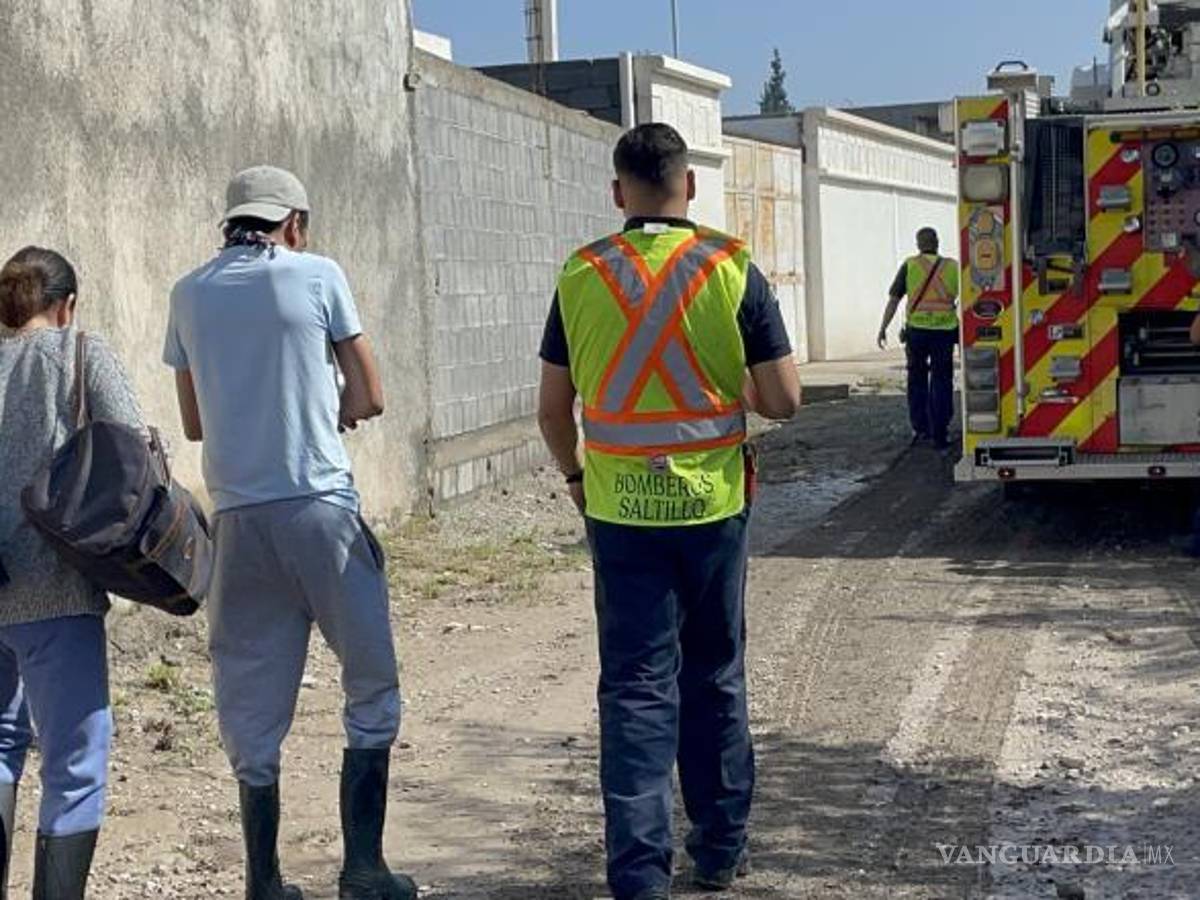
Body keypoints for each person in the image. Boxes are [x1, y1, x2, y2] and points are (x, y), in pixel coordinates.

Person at [537, 123, 801, 900]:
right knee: (713, 674)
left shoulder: (581, 274)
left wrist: (577, 479)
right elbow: (784, 399)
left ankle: (639, 877)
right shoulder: (731, 268)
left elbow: (553, 411)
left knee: (635, 689)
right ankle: (718, 849)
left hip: (620, 513)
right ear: (689, 185)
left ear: (617, 192)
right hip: (712, 509)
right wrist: (734, 386)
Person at [164, 166, 415, 900]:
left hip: (238, 522)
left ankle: (265, 881)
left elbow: (194, 422)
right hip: (320, 509)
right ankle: (363, 870)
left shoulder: (188, 293)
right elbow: (370, 394)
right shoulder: (318, 274)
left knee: (249, 702)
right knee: (369, 681)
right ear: (294, 223)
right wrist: (334, 409)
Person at [0, 247, 144, 898]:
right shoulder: (80, 353)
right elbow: (133, 448)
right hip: (55, 588)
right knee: (75, 764)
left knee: (1, 744)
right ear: (68, 306)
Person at [877, 227, 961, 449]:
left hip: (917, 333)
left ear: (918, 244)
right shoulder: (953, 267)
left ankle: (921, 428)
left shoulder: (910, 265)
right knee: (942, 381)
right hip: (944, 332)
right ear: (937, 242)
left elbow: (894, 300)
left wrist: (883, 327)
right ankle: (940, 432)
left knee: (917, 380)